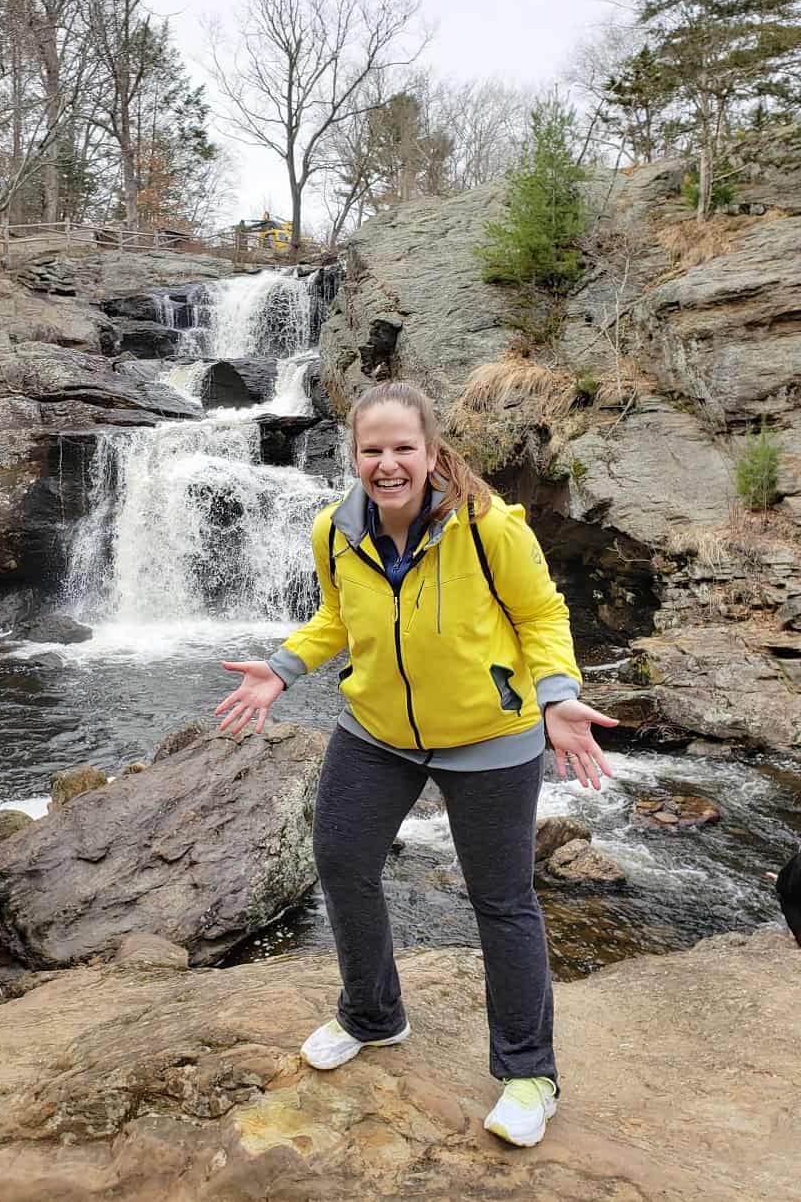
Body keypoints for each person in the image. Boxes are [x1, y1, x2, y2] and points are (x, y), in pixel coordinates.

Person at [215, 380, 618, 1149]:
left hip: (489, 736)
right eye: (374, 450)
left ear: (432, 452)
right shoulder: (334, 529)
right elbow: (336, 617)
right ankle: (373, 1014)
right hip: (376, 730)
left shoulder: (489, 526)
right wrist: (283, 666)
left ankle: (529, 1073)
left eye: (404, 448)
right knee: (340, 860)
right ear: (355, 455)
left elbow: (541, 615)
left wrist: (558, 695)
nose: (388, 463)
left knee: (502, 900)